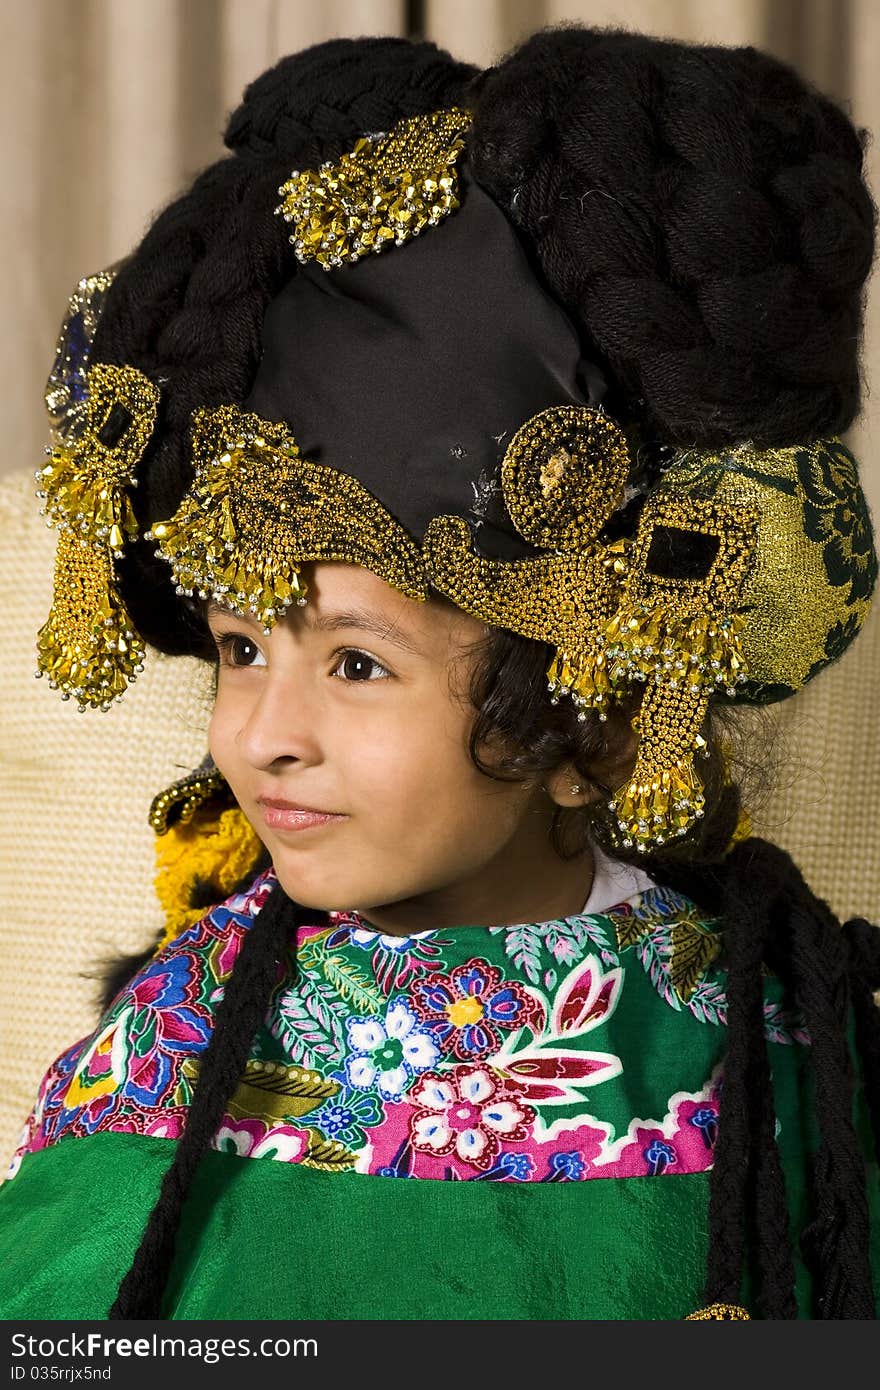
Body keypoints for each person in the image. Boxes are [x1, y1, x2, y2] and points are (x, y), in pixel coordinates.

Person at [0, 26, 878, 1322]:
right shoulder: (182, 1032)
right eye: (242, 649)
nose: (263, 735)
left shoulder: (766, 1046)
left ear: (597, 715)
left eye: (356, 661)